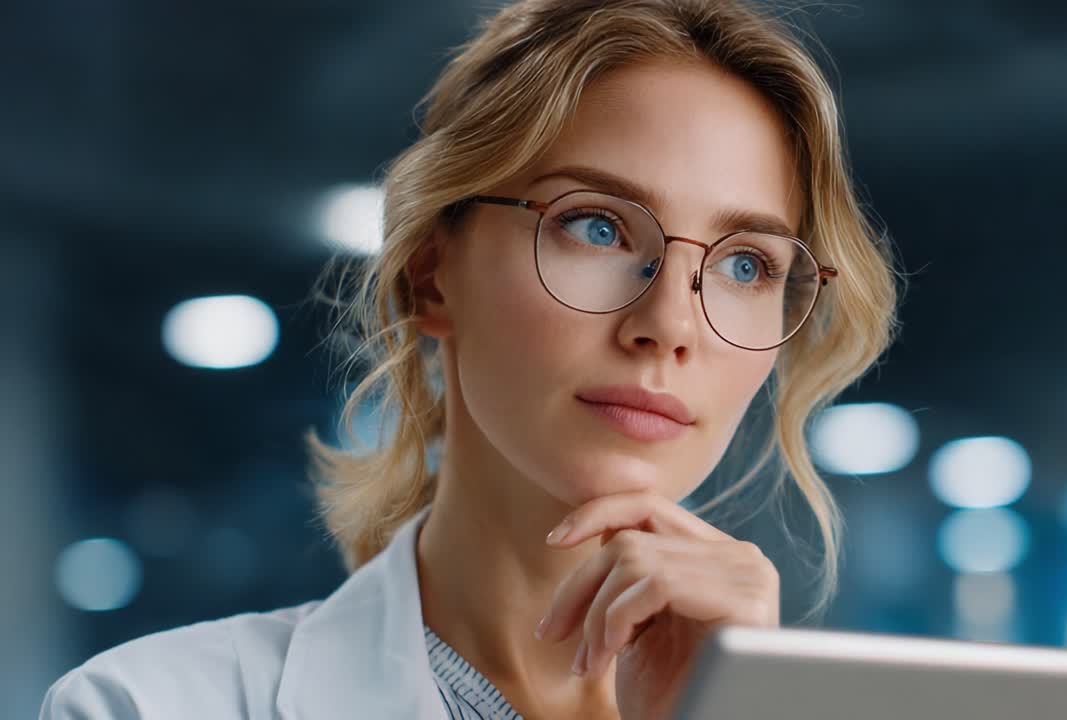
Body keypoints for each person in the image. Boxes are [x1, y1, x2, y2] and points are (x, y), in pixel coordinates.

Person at [40, 0, 898, 717]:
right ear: (432, 274)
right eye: (595, 226)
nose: (671, 323)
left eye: (747, 264)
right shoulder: (145, 705)